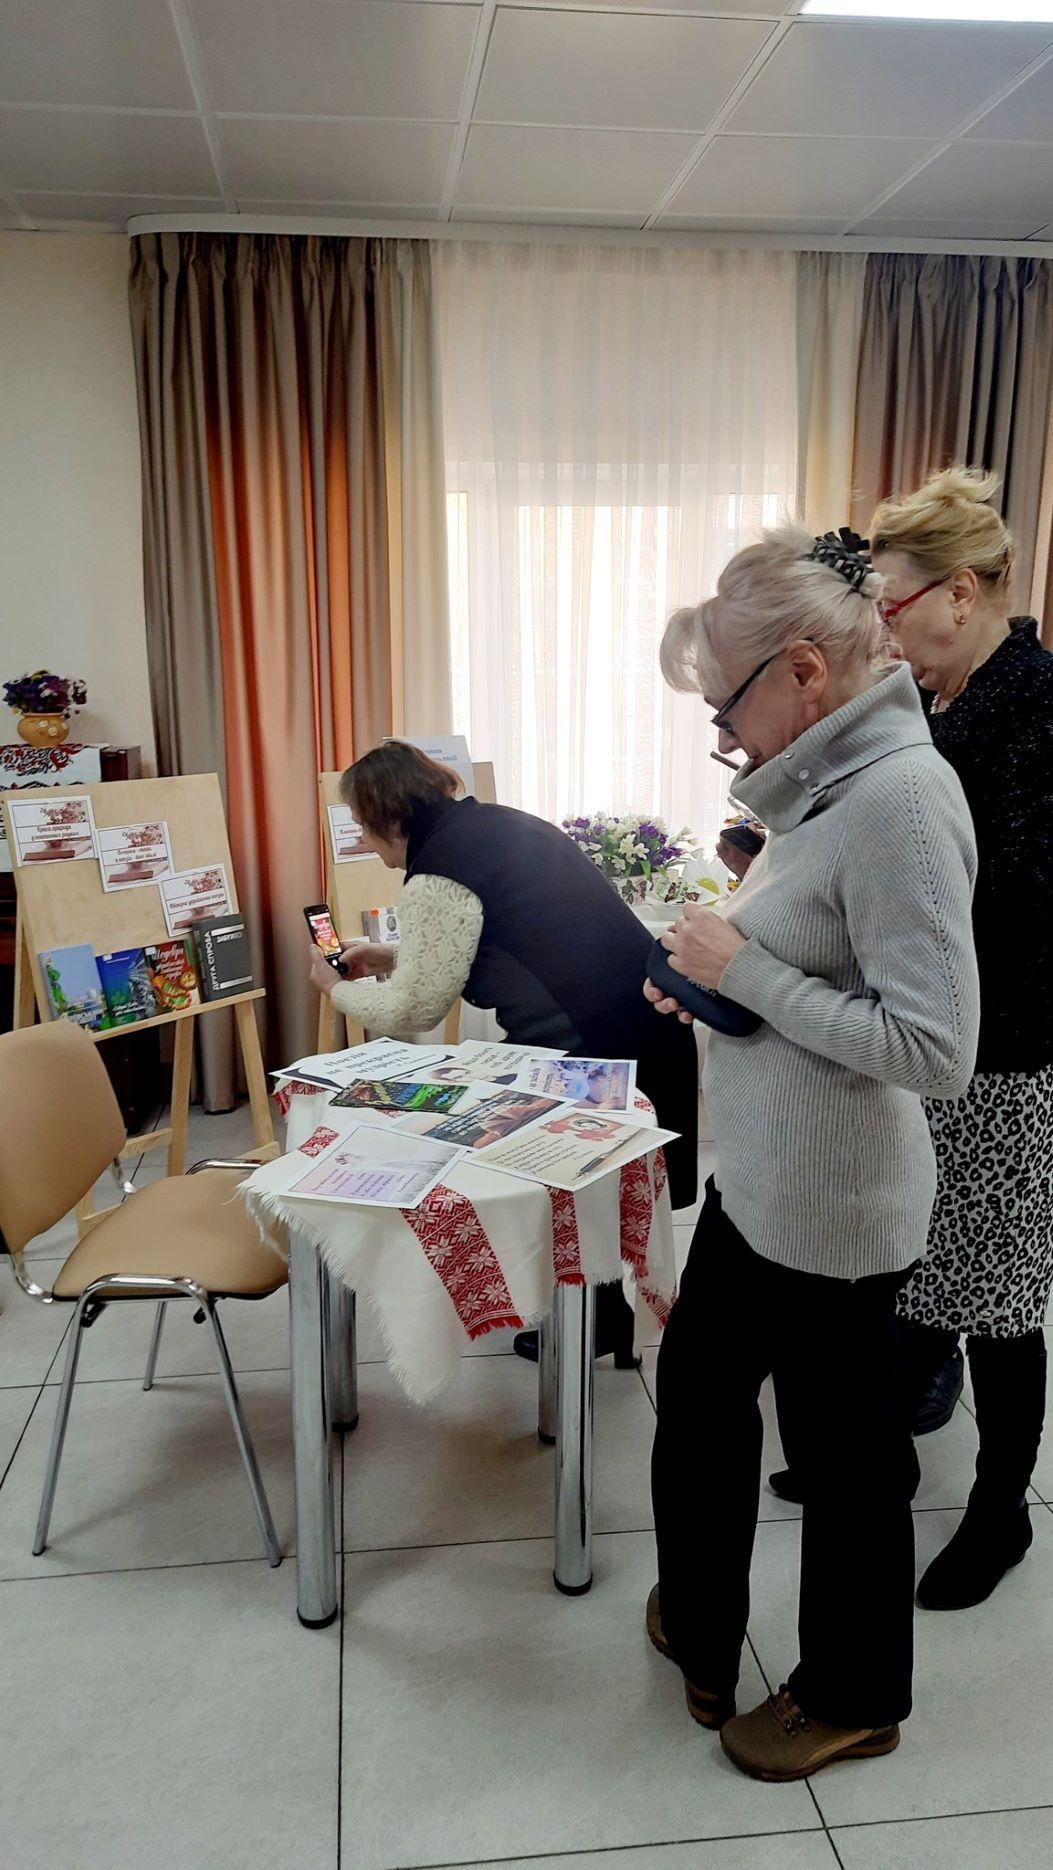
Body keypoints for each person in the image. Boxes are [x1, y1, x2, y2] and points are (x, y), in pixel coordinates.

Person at [644, 525, 979, 1781]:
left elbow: (934, 1048)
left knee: (846, 1471)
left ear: (803, 670)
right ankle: (703, 1621)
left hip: (837, 1212)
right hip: (762, 1187)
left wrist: (747, 973)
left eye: (725, 706)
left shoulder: (900, 799)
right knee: (699, 1401)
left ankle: (853, 1695)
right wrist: (715, 980)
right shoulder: (826, 781)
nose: (726, 737)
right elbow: (810, 958)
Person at [308, 742, 699, 1365]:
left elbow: (417, 1009)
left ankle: (590, 1317)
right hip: (637, 1022)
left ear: (388, 815)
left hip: (588, 1041)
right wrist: (390, 956)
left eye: (361, 824)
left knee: (559, 1176)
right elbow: (508, 935)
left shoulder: (439, 871)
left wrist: (336, 990)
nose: (362, 840)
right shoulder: (494, 825)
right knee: (593, 1183)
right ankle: (600, 1312)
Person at [865, 466, 1053, 1610]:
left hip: (1013, 1049)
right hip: (948, 1036)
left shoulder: (1034, 704)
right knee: (932, 1256)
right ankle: (882, 1449)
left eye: (893, 606)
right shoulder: (952, 706)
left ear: (964, 590)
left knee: (1003, 1298)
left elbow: (1016, 897)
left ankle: (1002, 1510)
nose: (886, 633)